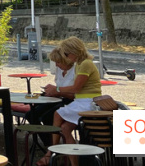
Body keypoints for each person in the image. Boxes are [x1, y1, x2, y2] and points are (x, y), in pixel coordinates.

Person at [37, 37, 101, 166]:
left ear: (74, 52)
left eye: (66, 54)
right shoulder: (81, 64)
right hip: (83, 101)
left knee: (57, 114)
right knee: (65, 128)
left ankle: (51, 152)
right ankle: (72, 162)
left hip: (87, 102)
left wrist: (57, 89)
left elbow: (76, 88)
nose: (66, 57)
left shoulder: (85, 64)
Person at [26, 47, 74, 126]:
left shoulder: (75, 71)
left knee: (47, 117)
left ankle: (52, 136)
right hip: (59, 99)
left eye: (58, 62)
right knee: (30, 115)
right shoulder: (59, 70)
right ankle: (46, 137)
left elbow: (75, 95)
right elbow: (58, 88)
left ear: (65, 60)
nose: (56, 65)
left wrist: (57, 92)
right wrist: (51, 92)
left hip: (70, 101)